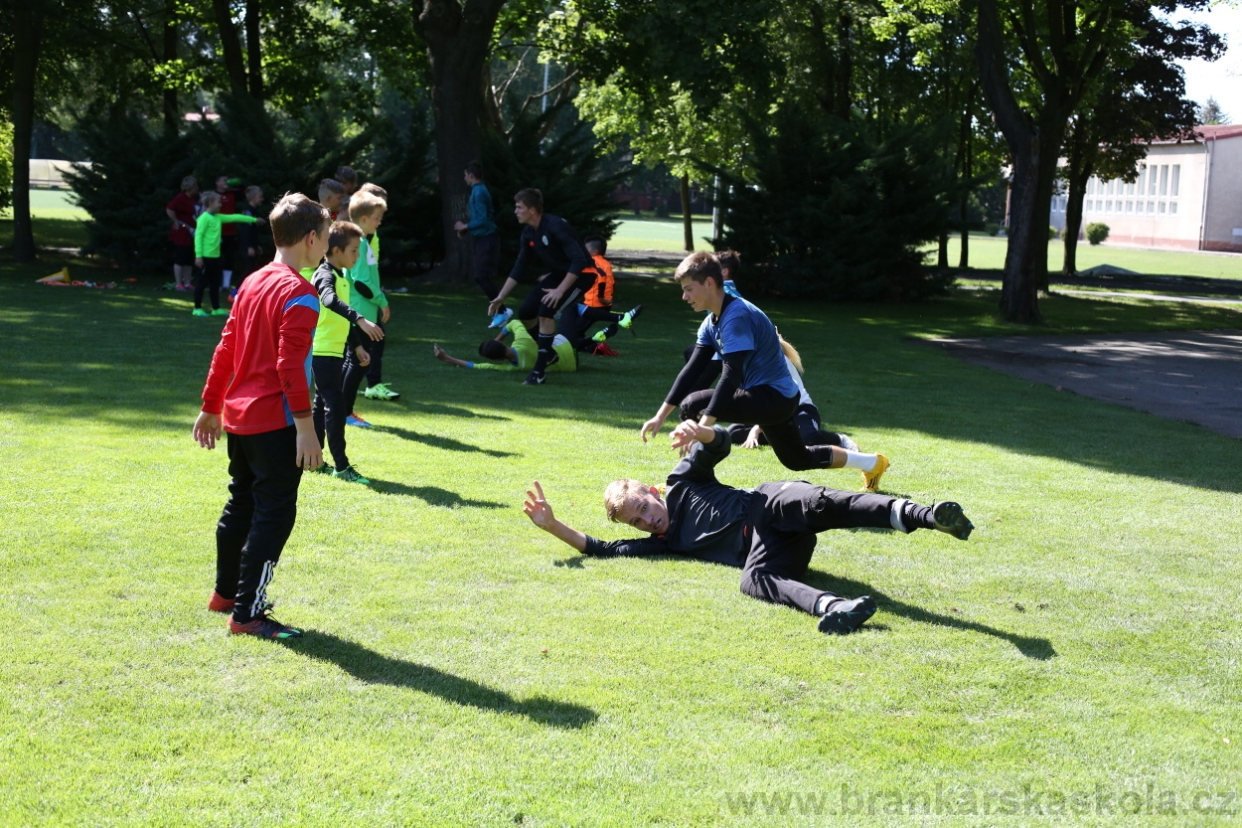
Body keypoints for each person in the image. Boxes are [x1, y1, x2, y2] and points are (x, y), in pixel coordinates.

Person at [522, 423, 973, 635]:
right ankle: (837, 609)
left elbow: (721, 444)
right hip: (768, 549)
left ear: (650, 490)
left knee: (824, 502)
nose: (647, 520)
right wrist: (552, 525)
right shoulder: (667, 544)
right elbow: (601, 549)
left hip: (769, 504)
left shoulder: (681, 483)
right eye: (637, 521)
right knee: (753, 580)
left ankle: (928, 516)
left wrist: (700, 433)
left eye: (643, 508)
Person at [193, 192, 331, 640]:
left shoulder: (252, 282)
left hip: (240, 420)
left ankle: (225, 595)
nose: (326, 244)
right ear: (311, 239)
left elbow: (226, 347)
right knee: (273, 514)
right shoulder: (302, 294)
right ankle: (247, 613)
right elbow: (290, 367)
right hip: (276, 423)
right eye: (326, 237)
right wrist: (307, 430)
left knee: (242, 503)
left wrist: (212, 406)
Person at [641, 252, 890, 491]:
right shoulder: (710, 323)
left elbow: (731, 376)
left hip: (774, 398)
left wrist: (702, 428)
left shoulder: (736, 316)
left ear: (708, 283)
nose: (684, 297)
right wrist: (660, 416)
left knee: (693, 405)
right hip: (775, 400)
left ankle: (688, 480)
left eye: (688, 289)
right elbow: (692, 371)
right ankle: (872, 463)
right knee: (797, 459)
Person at [485, 188, 600, 385]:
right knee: (527, 312)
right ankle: (550, 354)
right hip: (560, 275)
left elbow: (579, 261)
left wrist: (560, 290)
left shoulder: (555, 226)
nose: (515, 211)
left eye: (519, 207)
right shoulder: (529, 232)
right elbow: (520, 266)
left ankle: (538, 372)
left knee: (546, 311)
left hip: (583, 275)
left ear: (532, 210)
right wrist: (501, 296)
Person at [308, 220, 385, 484]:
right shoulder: (324, 274)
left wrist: (357, 345)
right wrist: (361, 319)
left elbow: (340, 317)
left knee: (321, 406)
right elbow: (328, 300)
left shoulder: (342, 277)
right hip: (322, 352)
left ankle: (314, 461)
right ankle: (342, 466)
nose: (357, 255)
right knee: (336, 406)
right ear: (337, 250)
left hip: (333, 352)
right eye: (353, 250)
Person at [728, 335, 860, 453]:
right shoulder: (749, 365)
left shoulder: (777, 363)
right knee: (733, 433)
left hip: (799, 410)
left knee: (807, 440)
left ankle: (839, 439)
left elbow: (774, 401)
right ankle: (785, 438)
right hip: (773, 415)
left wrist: (756, 428)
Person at [344, 191, 396, 401]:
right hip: (361, 312)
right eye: (376, 218)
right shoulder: (361, 244)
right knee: (357, 362)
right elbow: (360, 281)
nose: (379, 222)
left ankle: (342, 410)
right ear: (363, 219)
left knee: (356, 361)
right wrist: (383, 302)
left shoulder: (362, 242)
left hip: (363, 311)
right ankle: (343, 411)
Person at [452, 161, 508, 329]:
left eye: (465, 175)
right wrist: (467, 229)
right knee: (482, 276)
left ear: (471, 175)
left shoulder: (479, 192)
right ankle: (502, 311)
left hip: (487, 239)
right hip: (482, 238)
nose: (464, 178)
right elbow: (481, 218)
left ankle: (503, 311)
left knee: (481, 276)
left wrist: (465, 226)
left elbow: (483, 219)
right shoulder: (478, 191)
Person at [193, 191, 262, 317]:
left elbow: (235, 217)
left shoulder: (218, 217)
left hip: (216, 257)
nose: (220, 204)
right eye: (218, 202)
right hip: (205, 257)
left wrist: (254, 219)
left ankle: (215, 308)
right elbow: (198, 237)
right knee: (202, 283)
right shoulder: (203, 218)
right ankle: (197, 308)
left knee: (215, 283)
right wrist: (198, 256)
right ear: (210, 203)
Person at [571, 235, 642, 355]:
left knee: (571, 335)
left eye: (585, 249)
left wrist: (601, 298)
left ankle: (598, 337)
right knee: (576, 331)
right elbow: (612, 282)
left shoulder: (593, 262)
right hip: (599, 303)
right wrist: (608, 298)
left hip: (593, 304)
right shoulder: (606, 263)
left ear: (593, 251)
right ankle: (595, 348)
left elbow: (601, 277)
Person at [432, 318, 577, 373]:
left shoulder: (512, 368)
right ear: (501, 343)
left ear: (497, 360)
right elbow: (515, 322)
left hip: (571, 366)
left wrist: (446, 358)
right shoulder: (522, 341)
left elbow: (474, 365)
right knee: (571, 310)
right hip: (567, 346)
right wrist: (498, 337)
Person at [166, 175, 199, 292]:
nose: (197, 188)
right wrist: (176, 221)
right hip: (182, 231)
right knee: (180, 257)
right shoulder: (180, 198)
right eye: (195, 186)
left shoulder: (192, 199)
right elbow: (170, 209)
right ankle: (179, 283)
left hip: (191, 232)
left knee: (189, 259)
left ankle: (188, 283)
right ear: (190, 187)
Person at [235, 185, 267, 295]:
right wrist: (248, 246)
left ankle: (246, 292)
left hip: (252, 245)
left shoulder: (255, 211)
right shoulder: (248, 212)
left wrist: (256, 245)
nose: (262, 199)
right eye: (260, 197)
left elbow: (254, 232)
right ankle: (234, 292)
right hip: (246, 246)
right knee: (248, 270)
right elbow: (245, 231)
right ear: (253, 197)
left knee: (253, 269)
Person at [214, 175, 242, 291]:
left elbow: (245, 191)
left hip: (230, 232)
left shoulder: (232, 194)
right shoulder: (213, 195)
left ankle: (226, 284)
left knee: (229, 258)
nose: (226, 182)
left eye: (227, 180)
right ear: (217, 183)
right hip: (216, 232)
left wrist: (236, 183)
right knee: (216, 258)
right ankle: (215, 283)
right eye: (223, 180)